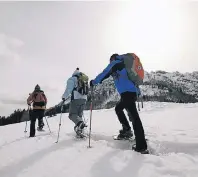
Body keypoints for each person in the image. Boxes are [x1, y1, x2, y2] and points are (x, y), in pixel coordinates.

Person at [90, 54, 148, 154]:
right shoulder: (123, 64)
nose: (109, 62)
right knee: (118, 108)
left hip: (128, 93)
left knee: (134, 117)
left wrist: (94, 82)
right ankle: (127, 131)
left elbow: (105, 73)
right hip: (129, 93)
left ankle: (141, 146)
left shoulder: (116, 63)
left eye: (110, 61)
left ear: (113, 58)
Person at [62, 68, 88, 136]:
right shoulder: (84, 79)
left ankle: (79, 124)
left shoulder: (72, 79)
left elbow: (68, 90)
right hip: (84, 99)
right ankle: (80, 131)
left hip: (76, 99)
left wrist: (64, 97)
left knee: (72, 115)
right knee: (79, 116)